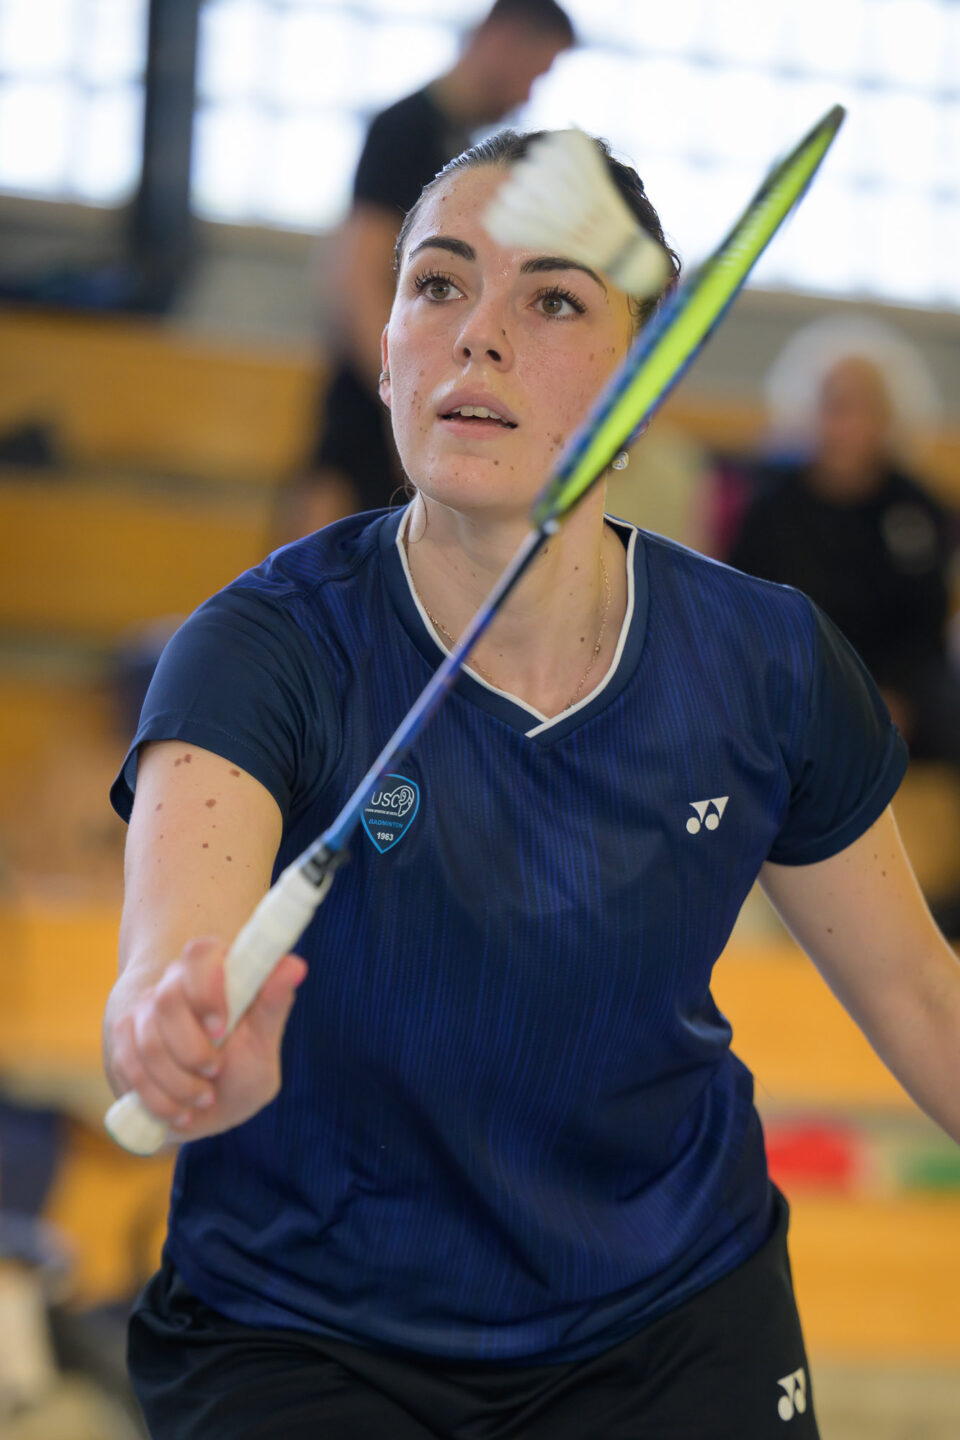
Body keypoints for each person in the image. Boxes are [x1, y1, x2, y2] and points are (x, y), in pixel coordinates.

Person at [102, 132, 960, 1440]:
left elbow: (920, 994)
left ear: (641, 372)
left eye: (553, 299)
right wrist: (175, 1043)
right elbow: (172, 965)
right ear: (386, 345)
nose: (477, 336)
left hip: (669, 1316)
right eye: (439, 286)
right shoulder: (265, 646)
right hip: (307, 1331)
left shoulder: (767, 665)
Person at [278, 0, 574, 540]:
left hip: (421, 383)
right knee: (325, 579)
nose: (530, 93)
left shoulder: (469, 149)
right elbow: (354, 275)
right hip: (376, 395)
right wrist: (401, 393)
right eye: (536, 71)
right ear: (502, 38)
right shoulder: (406, 128)